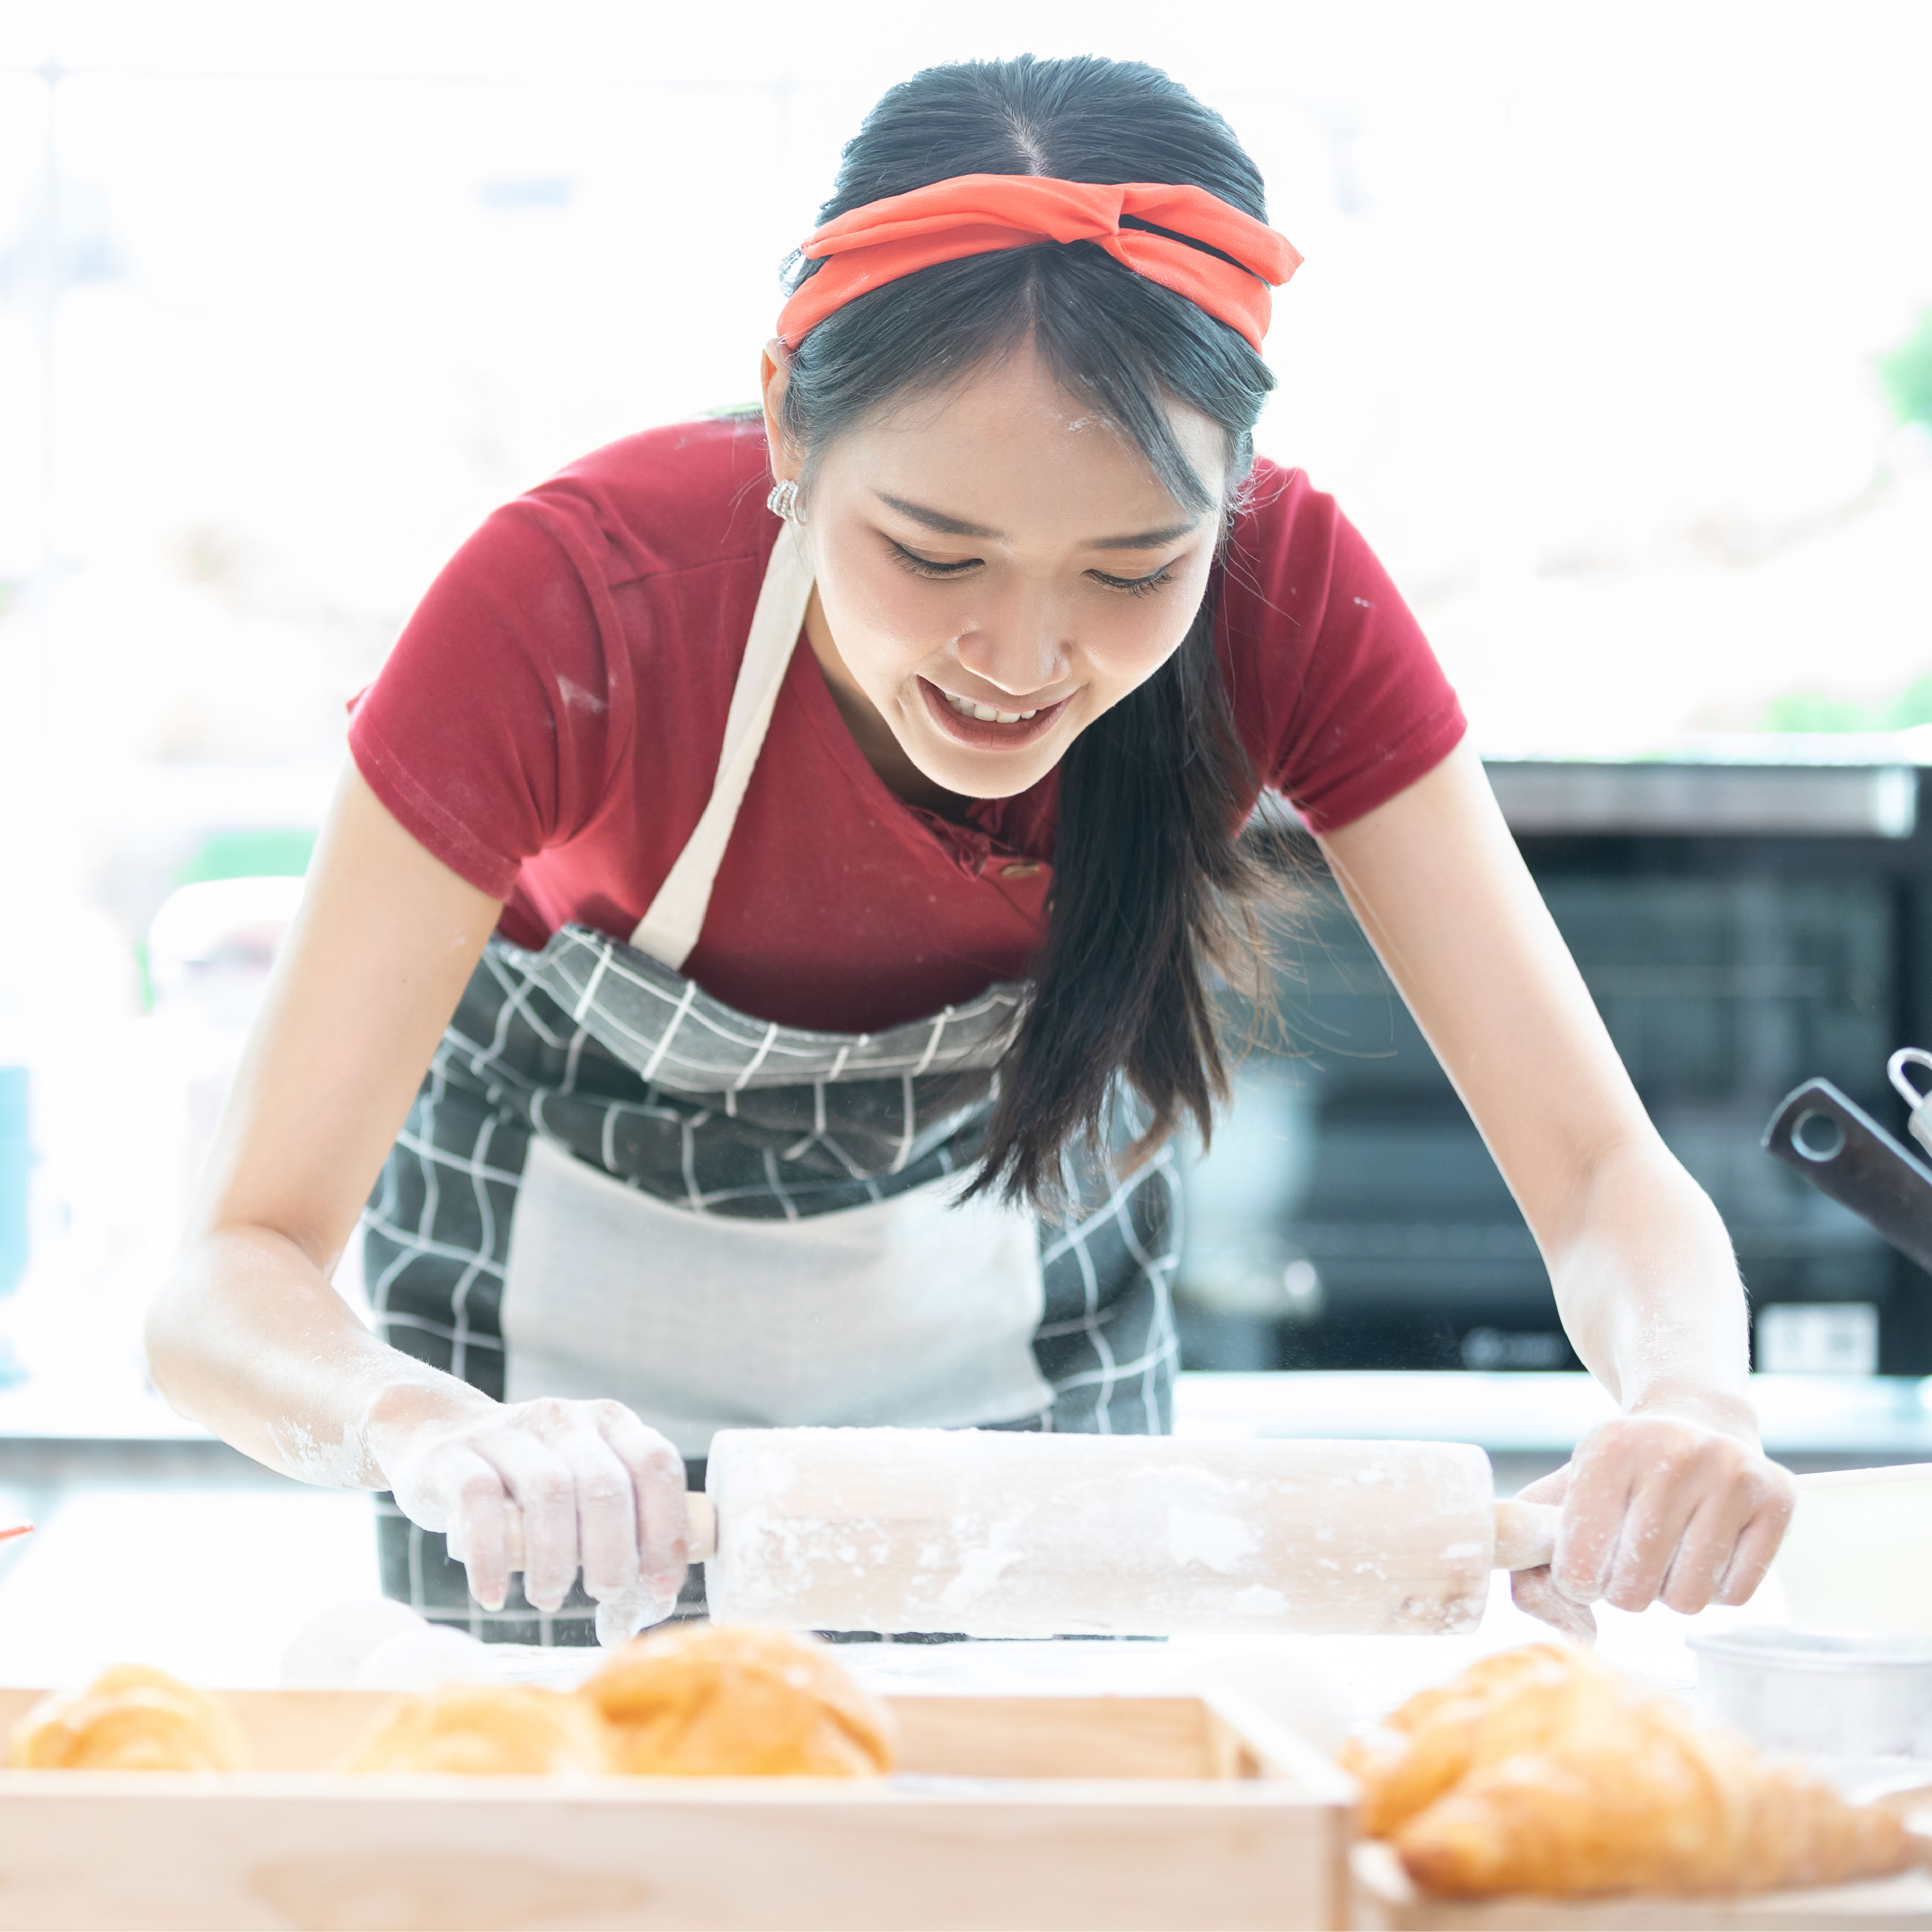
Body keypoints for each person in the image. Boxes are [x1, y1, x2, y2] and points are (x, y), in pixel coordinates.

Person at [146, 53, 1793, 1647]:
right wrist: (419, 1425)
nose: (1021, 654)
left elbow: (1597, 1178)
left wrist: (1691, 1401)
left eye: (1134, 570)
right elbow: (228, 1278)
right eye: (937, 554)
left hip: (1017, 1389)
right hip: (562, 1424)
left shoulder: (1295, 596)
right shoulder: (571, 605)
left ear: (1231, 499)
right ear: (792, 422)